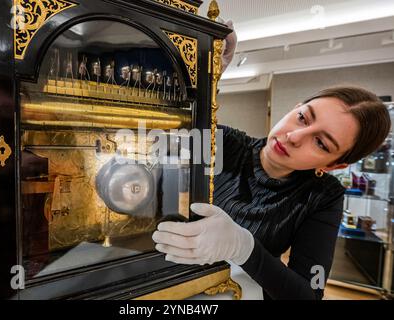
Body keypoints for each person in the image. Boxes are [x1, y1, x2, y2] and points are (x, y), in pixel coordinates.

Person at [152, 22, 392, 300]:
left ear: (333, 165)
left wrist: (243, 248)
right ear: (295, 107)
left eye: (321, 142)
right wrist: (204, 82)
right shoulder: (223, 143)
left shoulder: (322, 196)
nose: (294, 136)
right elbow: (156, 134)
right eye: (303, 117)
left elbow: (307, 295)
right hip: (162, 278)